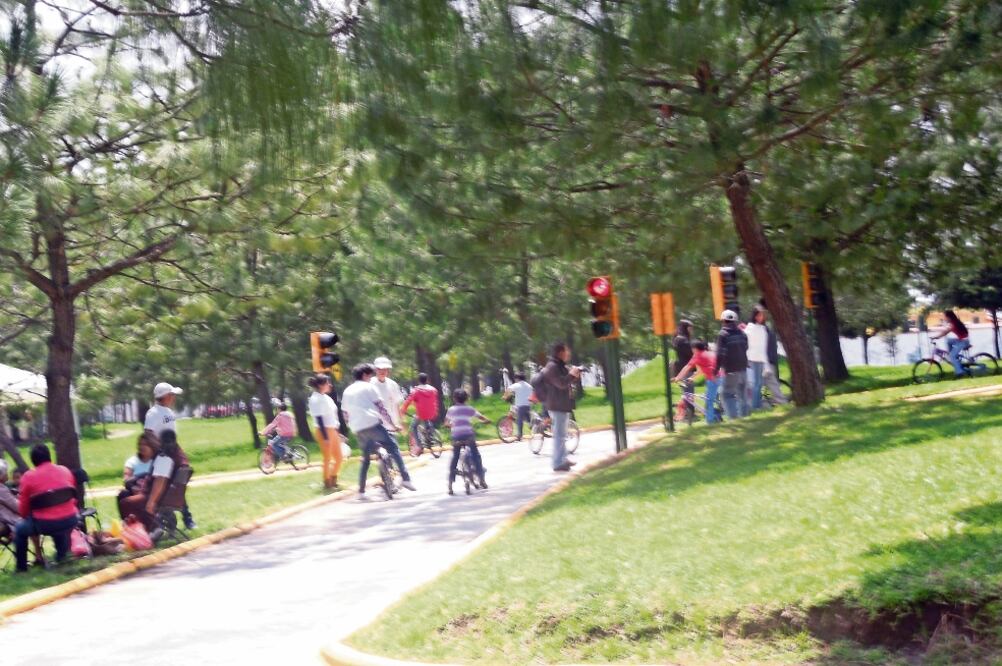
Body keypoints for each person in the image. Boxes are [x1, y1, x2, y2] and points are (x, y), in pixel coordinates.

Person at [342, 364, 416, 499]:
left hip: (358, 428)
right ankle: (405, 478)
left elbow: (345, 414)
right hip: (373, 423)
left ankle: (361, 492)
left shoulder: (347, 390)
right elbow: (381, 409)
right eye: (370, 375)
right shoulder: (370, 387)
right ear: (365, 375)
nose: (371, 378)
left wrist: (352, 426)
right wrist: (393, 425)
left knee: (365, 459)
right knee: (393, 448)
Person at [14, 444, 78, 573]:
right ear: (49, 456)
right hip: (70, 519)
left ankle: (21, 568)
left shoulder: (28, 477)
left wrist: (28, 517)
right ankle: (62, 556)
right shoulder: (65, 471)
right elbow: (73, 497)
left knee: (20, 529)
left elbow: (23, 510)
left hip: (44, 524)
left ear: (33, 460)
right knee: (59, 522)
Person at [144, 382, 196, 529]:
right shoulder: (153, 413)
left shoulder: (168, 412)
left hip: (173, 448)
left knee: (180, 480)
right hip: (164, 452)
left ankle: (183, 516)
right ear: (165, 396)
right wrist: (160, 449)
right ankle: (183, 518)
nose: (173, 397)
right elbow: (148, 433)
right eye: (172, 395)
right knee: (170, 484)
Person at [539, 342, 581, 472]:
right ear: (560, 353)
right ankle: (557, 463)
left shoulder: (559, 366)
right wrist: (571, 374)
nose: (568, 354)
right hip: (557, 405)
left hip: (561, 404)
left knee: (562, 435)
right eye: (566, 351)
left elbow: (566, 381)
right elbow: (561, 383)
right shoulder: (552, 367)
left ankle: (563, 459)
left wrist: (575, 376)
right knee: (559, 435)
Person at [444, 389, 490, 495]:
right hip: (468, 436)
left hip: (456, 437)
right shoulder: (469, 409)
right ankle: (481, 479)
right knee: (476, 456)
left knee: (454, 458)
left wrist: (450, 425)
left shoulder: (451, 409)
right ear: (467, 399)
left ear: (454, 398)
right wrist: (487, 420)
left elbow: (446, 422)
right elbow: (481, 417)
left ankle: (450, 483)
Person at [308, 375, 345, 490]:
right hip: (323, 431)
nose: (330, 385)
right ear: (320, 385)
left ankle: (333, 478)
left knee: (339, 457)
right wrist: (325, 437)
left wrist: (338, 432)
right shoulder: (315, 399)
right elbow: (319, 419)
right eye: (327, 383)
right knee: (327, 458)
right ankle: (327, 483)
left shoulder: (326, 398)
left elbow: (333, 417)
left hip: (332, 429)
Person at [672, 340, 720, 424]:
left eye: (692, 349)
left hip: (713, 379)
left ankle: (711, 422)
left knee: (709, 402)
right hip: (720, 377)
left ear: (694, 349)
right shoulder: (708, 353)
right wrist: (692, 378)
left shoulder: (698, 355)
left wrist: (677, 378)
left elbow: (687, 367)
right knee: (710, 399)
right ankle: (715, 417)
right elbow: (702, 369)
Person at [715, 309, 749, 419]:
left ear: (723, 321)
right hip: (743, 368)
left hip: (731, 370)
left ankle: (734, 419)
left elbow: (720, 354)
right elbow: (746, 347)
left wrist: (716, 369)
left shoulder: (723, 334)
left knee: (726, 394)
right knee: (742, 394)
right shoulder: (742, 334)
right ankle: (745, 417)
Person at [400, 373, 440, 454]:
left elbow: (408, 401)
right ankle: (430, 436)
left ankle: (419, 445)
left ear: (418, 381)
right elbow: (435, 401)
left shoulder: (416, 391)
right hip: (432, 412)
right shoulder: (433, 390)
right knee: (426, 420)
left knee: (413, 427)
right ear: (427, 380)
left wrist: (403, 409)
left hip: (421, 414)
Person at [745, 306, 770, 411]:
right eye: (759, 315)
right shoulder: (749, 328)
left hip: (761, 358)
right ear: (754, 316)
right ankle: (755, 406)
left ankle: (757, 405)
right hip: (752, 359)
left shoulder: (763, 328)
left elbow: (764, 346)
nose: (761, 317)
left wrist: (766, 363)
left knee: (759, 383)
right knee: (756, 383)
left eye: (762, 315)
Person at [933, 310, 971, 377]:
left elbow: (945, 332)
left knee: (952, 356)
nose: (944, 318)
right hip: (961, 340)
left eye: (945, 317)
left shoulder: (954, 324)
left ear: (949, 317)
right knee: (949, 341)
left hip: (964, 341)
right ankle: (953, 356)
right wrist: (937, 336)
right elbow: (945, 330)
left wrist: (936, 337)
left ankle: (959, 372)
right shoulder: (953, 322)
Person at [371, 357, 404, 431]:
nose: (382, 371)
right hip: (374, 424)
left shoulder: (392, 384)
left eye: (385, 369)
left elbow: (397, 403)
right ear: (375, 369)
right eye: (379, 369)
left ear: (388, 370)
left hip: (390, 424)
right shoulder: (369, 383)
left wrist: (399, 422)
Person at [503, 372, 535, 441]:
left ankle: (519, 436)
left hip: (520, 406)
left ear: (517, 378)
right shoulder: (529, 386)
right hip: (528, 405)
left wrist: (504, 397)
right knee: (528, 420)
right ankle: (534, 426)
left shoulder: (517, 385)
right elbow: (533, 393)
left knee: (520, 420)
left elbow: (508, 390)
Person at [0, 459, 19, 539]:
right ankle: (21, 551)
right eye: (6, 472)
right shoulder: (1, 489)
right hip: (5, 523)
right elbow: (18, 507)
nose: (7, 475)